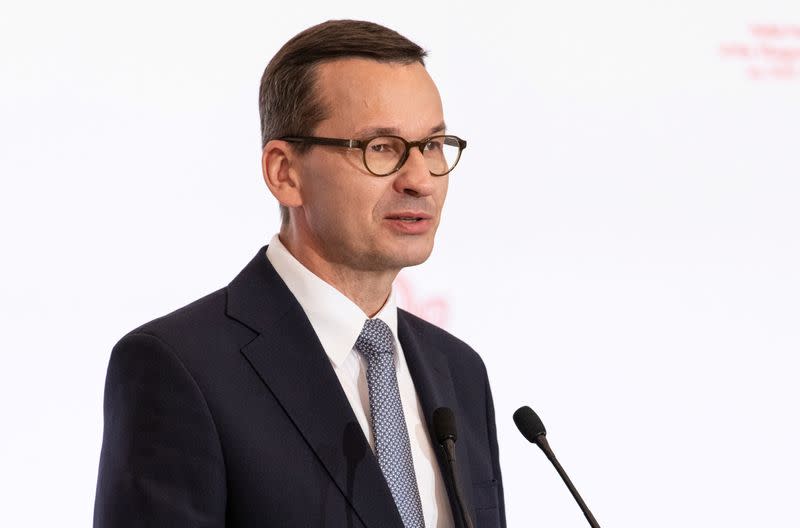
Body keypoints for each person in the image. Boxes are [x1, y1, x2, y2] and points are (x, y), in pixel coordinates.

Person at [93, 20, 506, 528]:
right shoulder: (181, 369)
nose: (420, 179)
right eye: (380, 147)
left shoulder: (460, 371)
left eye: (433, 145)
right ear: (284, 173)